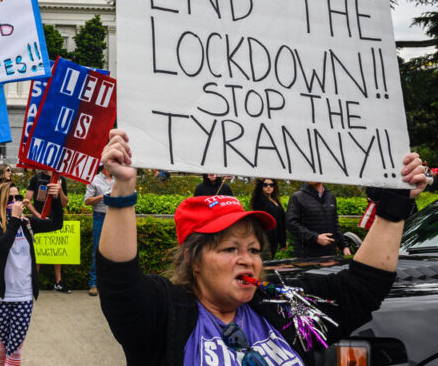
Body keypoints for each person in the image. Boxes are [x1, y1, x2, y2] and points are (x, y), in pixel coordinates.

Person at [97, 128, 427, 365]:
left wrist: (396, 203)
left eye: (254, 250)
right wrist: (123, 187)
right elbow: (120, 283)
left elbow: (361, 287)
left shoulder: (282, 305)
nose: (247, 260)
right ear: (192, 260)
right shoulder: (165, 312)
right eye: (230, 250)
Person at [0, 181, 63, 365]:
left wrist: (55, 199)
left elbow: (56, 224)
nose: (16, 201)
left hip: (23, 296)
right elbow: (1, 247)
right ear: (1, 200)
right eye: (10, 198)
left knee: (14, 353)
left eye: (18, 197)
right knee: (2, 347)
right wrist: (15, 220)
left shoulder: (27, 223)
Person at [24, 170, 70, 292]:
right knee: (39, 251)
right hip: (40, 220)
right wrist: (38, 215)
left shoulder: (61, 179)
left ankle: (58, 282)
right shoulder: (36, 178)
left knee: (56, 252)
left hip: (55, 220)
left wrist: (60, 191)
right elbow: (27, 200)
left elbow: (65, 203)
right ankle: (34, 282)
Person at [286, 181, 351, 258]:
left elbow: (335, 225)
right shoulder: (297, 197)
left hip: (329, 255)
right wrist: (315, 238)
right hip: (306, 256)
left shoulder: (330, 196)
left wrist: (344, 246)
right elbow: (291, 224)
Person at [84, 167, 114, 296]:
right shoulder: (94, 180)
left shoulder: (117, 179)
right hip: (100, 216)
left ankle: (110, 283)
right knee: (98, 249)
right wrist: (104, 196)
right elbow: (87, 201)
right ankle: (93, 283)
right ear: (106, 165)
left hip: (115, 216)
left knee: (114, 251)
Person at [250, 178, 286, 258]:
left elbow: (280, 222)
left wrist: (282, 241)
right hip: (264, 238)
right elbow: (257, 193)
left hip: (274, 240)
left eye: (271, 185)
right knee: (265, 264)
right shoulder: (259, 200)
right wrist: (260, 181)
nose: (268, 187)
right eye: (265, 185)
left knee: (270, 262)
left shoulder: (276, 201)